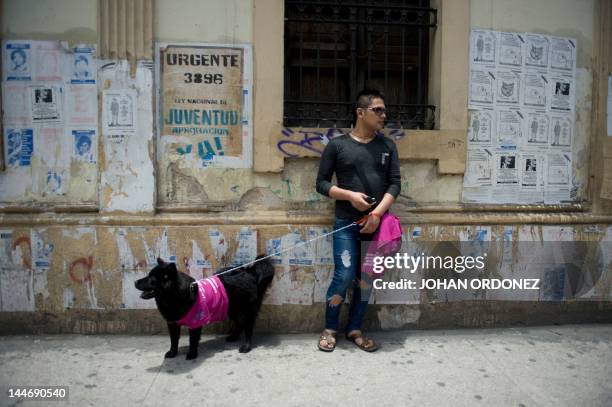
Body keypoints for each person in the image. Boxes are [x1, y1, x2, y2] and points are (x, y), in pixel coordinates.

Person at [315, 89, 401, 352]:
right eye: (378, 110)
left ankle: (354, 328)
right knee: (344, 276)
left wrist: (376, 214)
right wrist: (349, 196)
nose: (384, 115)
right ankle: (330, 327)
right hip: (346, 224)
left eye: (385, 110)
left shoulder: (387, 146)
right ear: (360, 113)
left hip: (376, 228)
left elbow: (395, 184)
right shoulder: (338, 145)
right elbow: (321, 183)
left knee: (365, 279)